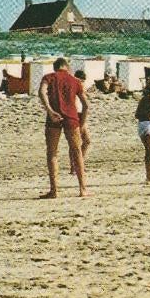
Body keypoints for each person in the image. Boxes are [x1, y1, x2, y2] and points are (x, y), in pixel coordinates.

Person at [38, 57, 90, 198]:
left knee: (52, 153)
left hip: (53, 117)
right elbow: (86, 105)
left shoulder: (49, 77)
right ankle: (82, 189)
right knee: (77, 151)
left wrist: (49, 110)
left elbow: (41, 92)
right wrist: (82, 122)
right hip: (72, 117)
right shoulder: (75, 81)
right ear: (67, 67)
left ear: (55, 67)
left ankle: (54, 190)